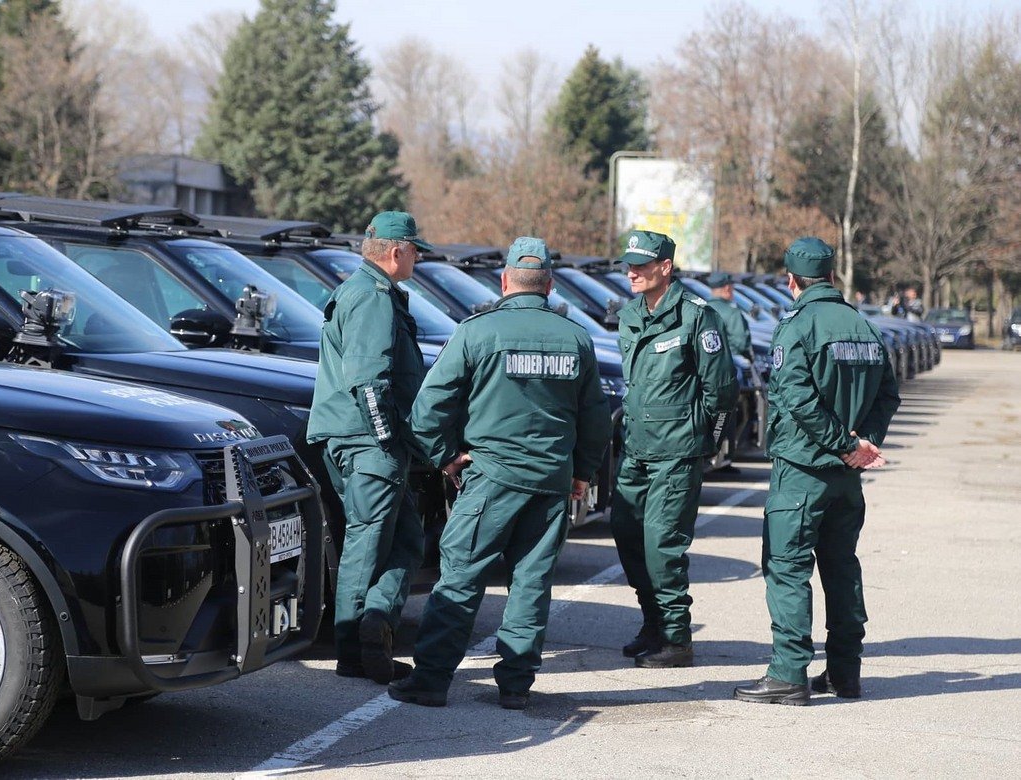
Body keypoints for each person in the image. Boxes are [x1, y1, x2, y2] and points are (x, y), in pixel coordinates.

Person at [388, 237, 612, 710]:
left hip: (491, 478)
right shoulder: (575, 338)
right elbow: (595, 417)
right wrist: (582, 473)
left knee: (462, 578)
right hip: (551, 483)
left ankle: (430, 680)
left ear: (505, 280)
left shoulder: (476, 332)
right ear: (549, 285)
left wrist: (445, 456)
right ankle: (515, 685)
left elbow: (428, 410)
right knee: (531, 583)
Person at [733, 237, 899, 706]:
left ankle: (788, 674)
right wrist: (863, 443)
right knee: (841, 567)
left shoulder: (798, 326)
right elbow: (888, 394)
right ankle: (846, 674)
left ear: (791, 281)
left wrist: (848, 443)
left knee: (787, 569)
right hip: (846, 478)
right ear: (831, 276)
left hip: (803, 471)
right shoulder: (863, 326)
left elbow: (795, 398)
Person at [306, 210, 430, 684]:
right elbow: (369, 382)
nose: (417, 258)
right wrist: (387, 438)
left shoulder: (367, 291)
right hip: (367, 441)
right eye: (415, 250)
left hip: (359, 438)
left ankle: (373, 630)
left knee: (403, 538)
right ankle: (355, 649)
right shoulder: (372, 297)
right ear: (396, 252)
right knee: (368, 539)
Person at [609, 230, 739, 668]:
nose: (632, 272)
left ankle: (677, 637)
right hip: (636, 451)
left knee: (662, 545)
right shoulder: (630, 314)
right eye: (629, 264)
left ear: (665, 267)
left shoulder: (697, 316)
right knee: (628, 538)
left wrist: (704, 441)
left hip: (676, 453)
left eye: (642, 265)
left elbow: (720, 389)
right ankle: (653, 623)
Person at [705, 272, 754, 362]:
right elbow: (741, 344)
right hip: (729, 366)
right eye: (732, 288)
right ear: (727, 288)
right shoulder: (732, 313)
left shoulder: (701, 309)